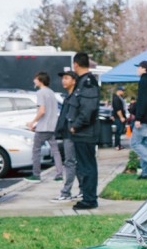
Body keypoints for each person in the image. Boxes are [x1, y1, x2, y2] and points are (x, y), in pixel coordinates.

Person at [67, 52, 101, 210]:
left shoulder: (87, 82)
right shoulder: (84, 81)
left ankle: (89, 199)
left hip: (85, 132)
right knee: (84, 165)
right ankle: (88, 197)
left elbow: (88, 108)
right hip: (83, 132)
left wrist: (76, 125)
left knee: (86, 166)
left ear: (76, 64)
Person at [50, 67, 79, 202]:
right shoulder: (68, 96)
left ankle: (66, 192)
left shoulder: (75, 97)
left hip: (72, 135)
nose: (63, 81)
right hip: (67, 133)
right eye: (63, 78)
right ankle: (83, 189)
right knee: (74, 162)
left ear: (74, 81)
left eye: (67, 78)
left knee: (70, 162)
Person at [25, 72, 59, 182]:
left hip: (42, 127)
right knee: (55, 151)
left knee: (36, 150)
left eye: (35, 79)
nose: (34, 81)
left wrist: (33, 122)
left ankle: (36, 175)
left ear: (40, 80)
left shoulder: (40, 93)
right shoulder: (51, 92)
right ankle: (59, 174)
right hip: (52, 126)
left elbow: (42, 111)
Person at [111, 85, 128, 150]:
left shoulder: (120, 98)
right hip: (118, 117)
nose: (123, 92)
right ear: (119, 91)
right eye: (122, 91)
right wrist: (121, 117)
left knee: (120, 131)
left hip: (119, 116)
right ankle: (117, 145)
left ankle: (119, 144)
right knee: (118, 131)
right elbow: (118, 109)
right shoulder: (116, 98)